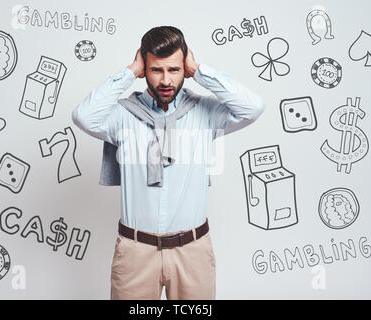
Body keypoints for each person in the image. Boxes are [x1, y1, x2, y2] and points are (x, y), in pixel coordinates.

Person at [72, 26, 265, 300]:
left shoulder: (205, 113)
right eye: (156, 70)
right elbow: (84, 116)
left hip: (193, 252)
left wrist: (199, 69)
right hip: (135, 253)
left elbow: (253, 107)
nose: (165, 81)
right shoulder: (122, 116)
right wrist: (129, 71)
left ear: (184, 69)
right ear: (144, 70)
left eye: (174, 70)